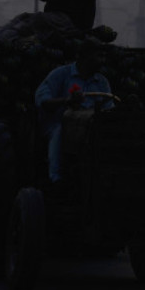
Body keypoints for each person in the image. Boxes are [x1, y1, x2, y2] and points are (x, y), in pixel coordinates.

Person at [34, 40, 113, 184]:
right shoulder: (60, 75)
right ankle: (55, 178)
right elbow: (43, 101)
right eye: (98, 56)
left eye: (104, 56)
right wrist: (67, 101)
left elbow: (109, 108)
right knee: (59, 131)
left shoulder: (102, 81)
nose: (102, 61)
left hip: (90, 128)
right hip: (60, 123)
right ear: (83, 57)